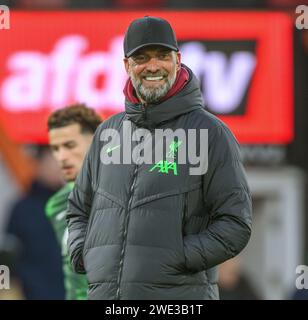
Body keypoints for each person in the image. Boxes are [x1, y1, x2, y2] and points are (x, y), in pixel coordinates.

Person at [67, 16, 252, 300]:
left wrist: (176, 257)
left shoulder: (210, 132)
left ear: (177, 60)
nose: (153, 66)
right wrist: (84, 254)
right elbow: (79, 208)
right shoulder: (108, 132)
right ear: (127, 65)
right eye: (141, 57)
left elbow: (236, 223)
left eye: (162, 56)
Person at [46, 104, 102, 300]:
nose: (61, 157)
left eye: (69, 146)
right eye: (55, 149)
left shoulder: (126, 193)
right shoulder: (56, 204)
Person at [6, 145, 65, 299]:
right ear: (39, 161)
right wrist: (5, 290)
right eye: (53, 158)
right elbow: (7, 259)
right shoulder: (22, 209)